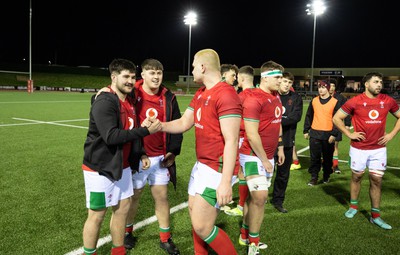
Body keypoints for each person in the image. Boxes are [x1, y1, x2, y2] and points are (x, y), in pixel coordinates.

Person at [161, 49, 241, 255]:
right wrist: (159, 126)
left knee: (203, 226)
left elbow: (232, 141)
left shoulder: (226, 94)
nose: (193, 70)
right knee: (194, 216)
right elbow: (184, 122)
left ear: (203, 67)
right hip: (202, 165)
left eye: (194, 66)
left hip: (217, 168)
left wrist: (225, 182)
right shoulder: (201, 92)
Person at [81, 58, 161, 255]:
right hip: (100, 169)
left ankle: (118, 251)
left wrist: (140, 152)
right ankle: (89, 252)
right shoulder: (105, 100)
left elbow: (130, 128)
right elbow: (111, 136)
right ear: (114, 77)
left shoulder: (130, 99)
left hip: (123, 167)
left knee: (123, 209)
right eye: (126, 76)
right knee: (97, 215)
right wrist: (145, 131)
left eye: (133, 77)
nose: (130, 81)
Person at [123, 59, 183, 254]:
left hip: (160, 158)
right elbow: (128, 123)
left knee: (162, 197)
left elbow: (178, 125)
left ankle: (165, 238)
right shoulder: (133, 93)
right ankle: (127, 232)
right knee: (135, 197)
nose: (156, 76)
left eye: (159, 72)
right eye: (152, 73)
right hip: (138, 157)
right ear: (143, 75)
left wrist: (173, 151)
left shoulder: (168, 96)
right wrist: (139, 153)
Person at [333, 72, 400, 230]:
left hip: (378, 150)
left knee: (376, 181)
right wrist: (349, 133)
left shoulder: (387, 100)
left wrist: (391, 134)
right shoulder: (355, 101)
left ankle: (375, 216)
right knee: (357, 177)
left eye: (381, 82)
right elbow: (336, 118)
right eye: (376, 82)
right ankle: (354, 206)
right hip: (359, 149)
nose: (379, 85)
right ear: (366, 84)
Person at [239, 61, 285, 255]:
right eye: (277, 77)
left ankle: (244, 234)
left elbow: (277, 124)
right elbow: (251, 134)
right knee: (260, 197)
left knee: (253, 198)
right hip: (252, 156)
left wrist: (280, 147)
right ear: (265, 77)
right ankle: (253, 245)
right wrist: (265, 160)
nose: (280, 81)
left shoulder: (275, 97)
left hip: (268, 156)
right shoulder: (253, 99)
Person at [224, 65, 255, 217]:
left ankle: (241, 205)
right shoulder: (260, 94)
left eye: (237, 77)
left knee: (241, 172)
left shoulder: (240, 97)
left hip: (242, 138)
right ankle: (250, 200)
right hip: (256, 139)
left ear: (242, 78)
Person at [271, 71, 303, 213]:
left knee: (283, 174)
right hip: (269, 142)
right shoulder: (271, 96)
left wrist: (275, 120)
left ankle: (278, 200)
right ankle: (261, 196)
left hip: (288, 141)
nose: (287, 85)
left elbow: (295, 117)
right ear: (279, 81)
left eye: (290, 83)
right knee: (266, 172)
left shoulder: (295, 98)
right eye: (284, 81)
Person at [303, 80, 340, 186]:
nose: (321, 89)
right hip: (315, 133)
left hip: (328, 134)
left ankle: (326, 175)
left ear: (328, 89)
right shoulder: (314, 100)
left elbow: (338, 119)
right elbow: (309, 115)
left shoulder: (335, 102)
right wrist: (306, 130)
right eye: (319, 87)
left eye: (323, 87)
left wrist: (334, 133)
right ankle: (314, 177)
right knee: (314, 158)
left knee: (327, 158)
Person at [329, 78, 351, 174]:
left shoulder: (340, 98)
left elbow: (347, 111)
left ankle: (335, 165)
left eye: (333, 86)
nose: (332, 88)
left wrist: (347, 124)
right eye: (330, 85)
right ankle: (325, 163)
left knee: (335, 146)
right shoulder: (322, 97)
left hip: (336, 125)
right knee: (324, 146)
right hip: (324, 125)